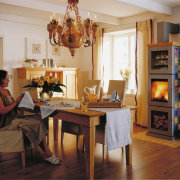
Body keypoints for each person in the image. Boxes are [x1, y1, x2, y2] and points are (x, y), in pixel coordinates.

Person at [0, 70, 61, 165]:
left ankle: (46, 153)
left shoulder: (6, 91)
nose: (8, 80)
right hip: (7, 122)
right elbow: (2, 111)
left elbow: (12, 105)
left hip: (15, 118)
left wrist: (27, 101)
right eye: (6, 78)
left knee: (38, 119)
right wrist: (16, 102)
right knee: (37, 123)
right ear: (0, 79)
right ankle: (47, 154)